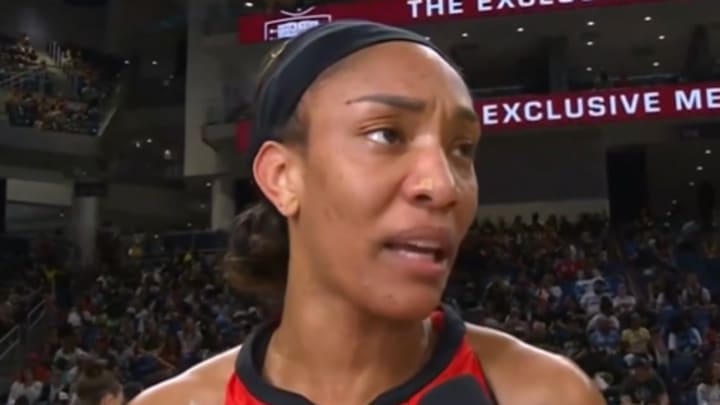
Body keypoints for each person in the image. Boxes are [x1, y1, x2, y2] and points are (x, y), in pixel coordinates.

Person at [132, 20, 603, 405]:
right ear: (282, 177)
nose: (443, 186)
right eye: (387, 135)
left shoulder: (545, 394)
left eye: (462, 148)